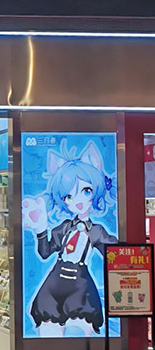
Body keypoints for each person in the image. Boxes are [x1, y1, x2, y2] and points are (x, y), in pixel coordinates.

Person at [22, 139, 117, 336]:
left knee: (80, 334)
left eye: (86, 191)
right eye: (69, 196)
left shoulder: (96, 231)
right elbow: (45, 252)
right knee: (49, 332)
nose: (78, 201)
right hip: (54, 284)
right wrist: (40, 228)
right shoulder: (64, 227)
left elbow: (115, 255)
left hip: (80, 286)